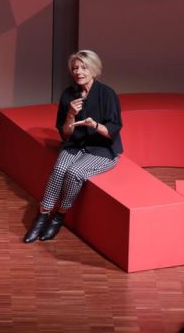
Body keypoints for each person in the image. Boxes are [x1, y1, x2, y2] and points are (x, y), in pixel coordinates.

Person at [24, 50, 123, 243]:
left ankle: (60, 214)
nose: (78, 72)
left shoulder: (107, 94)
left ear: (94, 70)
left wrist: (93, 124)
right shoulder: (69, 95)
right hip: (75, 145)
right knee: (60, 168)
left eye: (84, 67)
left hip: (103, 149)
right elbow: (66, 134)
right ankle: (43, 214)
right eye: (75, 68)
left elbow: (113, 130)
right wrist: (70, 114)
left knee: (75, 172)